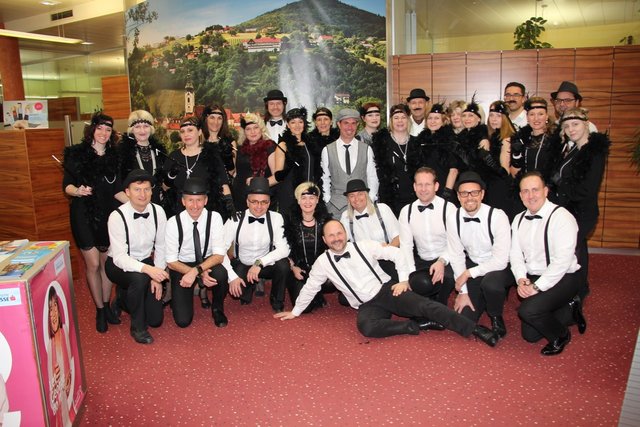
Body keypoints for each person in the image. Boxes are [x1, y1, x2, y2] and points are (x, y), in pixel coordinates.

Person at [275, 220, 498, 347]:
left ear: (346, 234)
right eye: (331, 236)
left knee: (425, 306)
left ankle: (475, 329)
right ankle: (416, 326)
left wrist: (403, 281)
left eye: (339, 233)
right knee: (366, 328)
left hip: (386, 291)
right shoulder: (322, 263)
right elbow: (311, 287)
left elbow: (397, 254)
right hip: (366, 304)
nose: (336, 238)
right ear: (325, 240)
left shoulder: (364, 246)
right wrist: (295, 312)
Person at [510, 171, 586, 356]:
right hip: (535, 275)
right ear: (520, 195)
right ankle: (569, 309)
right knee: (530, 336)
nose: (530, 195)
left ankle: (561, 335)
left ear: (545, 191)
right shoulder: (518, 219)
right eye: (525, 191)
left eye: (535, 190)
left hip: (565, 276)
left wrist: (536, 288)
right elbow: (515, 255)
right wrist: (521, 279)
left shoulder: (562, 217)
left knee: (528, 311)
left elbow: (562, 262)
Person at [63, 112, 125, 333]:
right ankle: (99, 309)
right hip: (83, 214)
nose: (103, 133)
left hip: (109, 215)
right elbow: (67, 186)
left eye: (108, 130)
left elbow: (117, 190)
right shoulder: (76, 154)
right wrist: (77, 191)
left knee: (106, 264)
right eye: (100, 128)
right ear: (92, 130)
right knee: (93, 264)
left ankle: (107, 305)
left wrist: (141, 206)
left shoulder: (115, 157)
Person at [446, 172, 514, 339]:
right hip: (474, 264)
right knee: (464, 319)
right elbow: (456, 256)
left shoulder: (498, 216)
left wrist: (468, 274)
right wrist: (463, 292)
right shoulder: (453, 218)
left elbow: (500, 261)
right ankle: (484, 296)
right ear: (458, 196)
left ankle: (496, 316)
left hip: (499, 267)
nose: (469, 197)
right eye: (464, 193)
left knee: (491, 284)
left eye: (474, 192)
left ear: (482, 194)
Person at [552, 107, 610, 299]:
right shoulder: (575, 149)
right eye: (567, 126)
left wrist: (560, 184)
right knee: (577, 248)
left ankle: (577, 291)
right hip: (568, 209)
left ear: (586, 124)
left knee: (573, 250)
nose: (571, 129)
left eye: (575, 124)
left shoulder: (594, 152)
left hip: (582, 212)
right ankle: (579, 287)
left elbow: (588, 189)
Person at [105, 169, 169, 344]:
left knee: (155, 320)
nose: (143, 194)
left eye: (147, 189)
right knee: (139, 279)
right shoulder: (117, 216)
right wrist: (149, 270)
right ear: (127, 192)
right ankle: (137, 327)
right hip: (118, 264)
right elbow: (119, 257)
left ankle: (122, 299)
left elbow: (161, 246)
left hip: (146, 261)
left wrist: (157, 275)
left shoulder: (158, 211)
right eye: (137, 190)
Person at [165, 177, 229, 328]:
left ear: (205, 200)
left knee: (221, 273)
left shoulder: (215, 218)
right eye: (190, 200)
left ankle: (217, 308)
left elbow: (219, 256)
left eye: (199, 200)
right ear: (183, 201)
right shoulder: (173, 222)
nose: (195, 206)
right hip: (181, 264)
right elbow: (171, 262)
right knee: (183, 321)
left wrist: (198, 270)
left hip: (207, 260)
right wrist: (197, 273)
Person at [223, 177, 290, 312]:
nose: (259, 206)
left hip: (265, 264)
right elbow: (220, 250)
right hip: (243, 263)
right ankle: (251, 285)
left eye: (264, 202)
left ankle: (277, 300)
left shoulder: (276, 218)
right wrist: (232, 277)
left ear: (269, 203)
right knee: (239, 295)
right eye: (254, 202)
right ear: (247, 202)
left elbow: (284, 248)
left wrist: (259, 263)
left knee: (283, 265)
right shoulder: (235, 218)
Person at [400, 167, 456, 305]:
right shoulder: (406, 211)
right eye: (420, 184)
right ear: (414, 187)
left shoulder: (449, 208)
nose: (423, 189)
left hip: (447, 258)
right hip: (422, 260)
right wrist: (411, 275)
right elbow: (406, 246)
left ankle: (439, 305)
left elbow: (456, 243)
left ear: (436, 186)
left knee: (447, 278)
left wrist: (442, 261)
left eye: (427, 184)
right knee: (418, 283)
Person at [163, 116, 233, 220]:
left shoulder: (211, 155)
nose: (186, 134)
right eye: (182, 131)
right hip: (179, 214)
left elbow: (223, 185)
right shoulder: (173, 157)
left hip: (207, 214)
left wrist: (230, 208)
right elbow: (165, 188)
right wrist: (171, 176)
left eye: (190, 130)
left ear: (199, 132)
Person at [283, 182, 333, 312]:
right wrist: (293, 267)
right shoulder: (289, 222)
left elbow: (334, 248)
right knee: (305, 308)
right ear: (298, 200)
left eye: (311, 197)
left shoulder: (326, 222)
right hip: (298, 270)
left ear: (317, 200)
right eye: (304, 198)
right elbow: (283, 250)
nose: (308, 202)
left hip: (321, 269)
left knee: (334, 282)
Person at [320, 108, 379, 218]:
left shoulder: (366, 149)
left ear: (357, 125)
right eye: (346, 123)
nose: (350, 127)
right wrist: (327, 200)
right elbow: (324, 178)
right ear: (339, 124)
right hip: (335, 208)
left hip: (362, 207)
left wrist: (370, 199)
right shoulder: (327, 150)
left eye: (353, 123)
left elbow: (372, 177)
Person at [340, 179, 400, 282]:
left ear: (366, 195)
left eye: (360, 194)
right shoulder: (345, 217)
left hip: (388, 260)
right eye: (352, 196)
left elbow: (399, 237)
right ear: (348, 199)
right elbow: (342, 243)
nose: (356, 199)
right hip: (364, 265)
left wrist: (387, 249)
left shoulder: (383, 209)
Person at [118, 110, 170, 213]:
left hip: (158, 207)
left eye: (146, 126)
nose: (142, 130)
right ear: (131, 129)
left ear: (151, 128)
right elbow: (117, 189)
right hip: (133, 209)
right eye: (137, 127)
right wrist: (139, 207)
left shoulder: (159, 152)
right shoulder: (122, 153)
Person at [371, 103, 418, 215]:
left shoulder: (416, 143)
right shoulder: (381, 144)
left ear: (408, 120)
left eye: (403, 117)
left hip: (414, 198)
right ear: (391, 121)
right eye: (396, 118)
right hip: (390, 200)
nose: (400, 121)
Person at [408, 103, 459, 203]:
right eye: (430, 118)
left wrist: (447, 193)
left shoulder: (450, 140)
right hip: (425, 191)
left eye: (436, 118)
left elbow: (454, 170)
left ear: (443, 121)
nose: (433, 121)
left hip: (444, 190)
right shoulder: (421, 141)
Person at [273, 107, 320, 214]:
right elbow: (278, 176)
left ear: (304, 124)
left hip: (308, 195)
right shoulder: (283, 145)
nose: (297, 125)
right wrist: (289, 167)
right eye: (293, 122)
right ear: (288, 125)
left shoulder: (310, 144)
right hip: (289, 193)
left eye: (300, 122)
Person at [509, 97, 563, 186]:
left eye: (540, 114)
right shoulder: (520, 139)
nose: (536, 118)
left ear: (546, 116)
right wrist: (516, 155)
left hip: (547, 189)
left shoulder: (557, 139)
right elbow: (514, 174)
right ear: (527, 117)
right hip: (525, 189)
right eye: (532, 114)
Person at [231, 113, 278, 211]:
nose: (252, 132)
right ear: (244, 132)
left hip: (262, 199)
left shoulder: (270, 147)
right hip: (240, 198)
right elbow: (233, 173)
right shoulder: (239, 149)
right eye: (248, 129)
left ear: (261, 129)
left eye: (256, 127)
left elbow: (276, 177)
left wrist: (258, 183)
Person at [484, 101, 516, 218]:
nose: (494, 119)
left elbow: (504, 171)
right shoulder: (490, 136)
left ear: (505, 118)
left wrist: (487, 158)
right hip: (489, 184)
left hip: (500, 187)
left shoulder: (506, 139)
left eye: (498, 116)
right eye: (491, 115)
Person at [47, 287, 72, 426]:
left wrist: (67, 378)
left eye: (55, 306)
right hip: (57, 393)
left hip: (66, 386)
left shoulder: (64, 332)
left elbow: (69, 359)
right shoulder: (49, 346)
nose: (54, 313)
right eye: (50, 309)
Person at [201, 104, 237, 180]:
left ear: (223, 121)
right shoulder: (199, 141)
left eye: (219, 118)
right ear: (206, 119)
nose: (216, 122)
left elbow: (231, 172)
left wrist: (228, 156)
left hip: (223, 184)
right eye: (212, 117)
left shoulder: (230, 142)